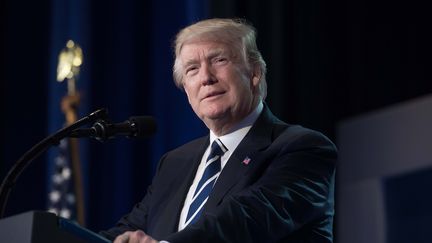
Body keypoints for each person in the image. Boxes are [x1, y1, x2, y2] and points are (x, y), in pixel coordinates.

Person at [100, 18, 337, 243]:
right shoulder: (174, 163)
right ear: (186, 90)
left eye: (219, 60)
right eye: (192, 69)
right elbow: (128, 232)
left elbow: (246, 219)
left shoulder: (303, 148)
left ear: (254, 73)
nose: (206, 77)